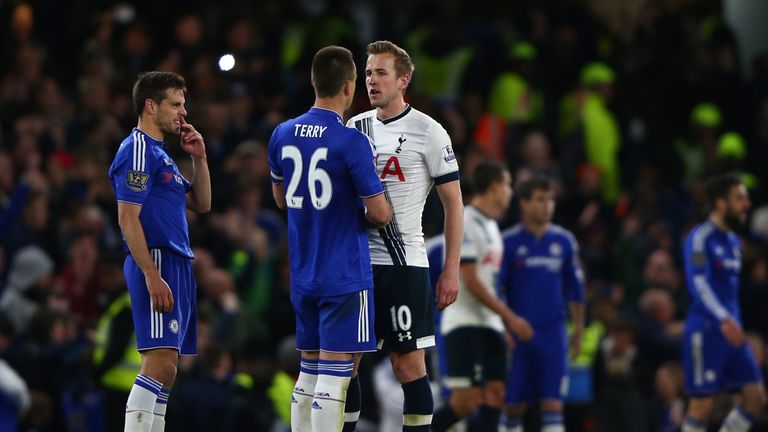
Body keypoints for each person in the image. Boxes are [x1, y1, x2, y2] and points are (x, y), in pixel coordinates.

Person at [267, 45, 391, 432]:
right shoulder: (350, 141)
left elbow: (281, 197)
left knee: (309, 368)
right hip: (343, 271)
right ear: (350, 87)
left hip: (303, 270)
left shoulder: (282, 133)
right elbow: (381, 213)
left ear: (313, 81)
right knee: (338, 371)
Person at [345, 40, 464, 432]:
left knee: (408, 365)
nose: (372, 81)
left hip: (403, 267)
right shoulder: (354, 127)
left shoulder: (429, 131)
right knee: (346, 364)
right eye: (367, 73)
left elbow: (454, 206)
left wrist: (450, 270)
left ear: (403, 80)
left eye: (381, 73)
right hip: (357, 267)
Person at [108, 71, 211, 432]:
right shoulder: (136, 149)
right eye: (176, 104)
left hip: (177, 261)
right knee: (158, 362)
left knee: (168, 368)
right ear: (150, 106)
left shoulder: (162, 155)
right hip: (156, 259)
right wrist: (152, 274)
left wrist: (199, 157)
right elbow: (127, 217)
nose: (183, 112)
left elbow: (202, 203)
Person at [432, 161, 532, 432]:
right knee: (466, 402)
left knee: (495, 395)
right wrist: (510, 318)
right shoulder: (466, 221)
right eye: (508, 185)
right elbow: (471, 280)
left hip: (489, 324)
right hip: (465, 323)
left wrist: (501, 325)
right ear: (495, 187)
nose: (510, 192)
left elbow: (491, 282)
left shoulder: (491, 227)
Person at [499, 176, 586, 432]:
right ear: (524, 203)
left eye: (551, 200)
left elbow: (576, 290)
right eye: (540, 200)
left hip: (553, 333)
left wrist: (578, 330)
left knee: (553, 403)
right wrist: (505, 327)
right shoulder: (508, 243)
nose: (547, 206)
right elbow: (497, 290)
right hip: (519, 333)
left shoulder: (565, 242)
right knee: (514, 404)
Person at [680, 173, 766, 432]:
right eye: (740, 198)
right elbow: (699, 284)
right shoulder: (700, 237)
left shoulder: (733, 242)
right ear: (720, 203)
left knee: (755, 399)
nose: (747, 204)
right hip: (707, 329)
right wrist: (723, 317)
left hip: (733, 332)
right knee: (701, 405)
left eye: (746, 198)